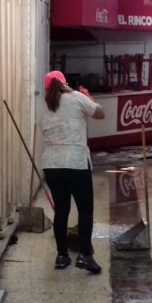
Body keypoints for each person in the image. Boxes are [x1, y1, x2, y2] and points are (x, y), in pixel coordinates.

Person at [40, 70, 105, 273]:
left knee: (61, 210)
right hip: (76, 163)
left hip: (51, 164)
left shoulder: (46, 107)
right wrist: (88, 98)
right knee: (85, 210)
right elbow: (100, 114)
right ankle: (85, 256)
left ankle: (61, 256)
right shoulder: (77, 98)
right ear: (65, 83)